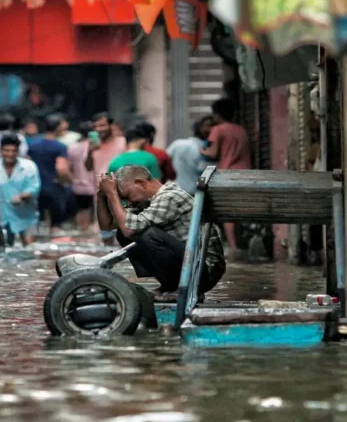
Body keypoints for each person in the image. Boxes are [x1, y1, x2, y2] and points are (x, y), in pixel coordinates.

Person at [96, 165, 225, 298]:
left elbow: (130, 229)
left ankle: (182, 287)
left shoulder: (170, 196)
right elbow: (108, 225)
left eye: (128, 196)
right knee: (124, 231)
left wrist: (112, 194)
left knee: (148, 234)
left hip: (204, 271)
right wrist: (101, 196)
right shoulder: (147, 202)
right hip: (191, 266)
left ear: (141, 183)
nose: (129, 202)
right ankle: (170, 285)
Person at [200, 98, 252, 253]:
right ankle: (244, 246)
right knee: (243, 210)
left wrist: (200, 150)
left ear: (217, 115)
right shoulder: (241, 130)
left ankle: (234, 248)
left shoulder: (218, 130)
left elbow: (212, 153)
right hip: (247, 174)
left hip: (228, 175)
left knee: (228, 213)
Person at [86, 112, 127, 244]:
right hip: (101, 193)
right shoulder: (92, 145)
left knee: (125, 232)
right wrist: (89, 151)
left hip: (122, 193)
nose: (99, 129)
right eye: (95, 126)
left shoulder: (122, 142)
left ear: (111, 125)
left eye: (102, 125)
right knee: (106, 235)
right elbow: (88, 167)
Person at [28, 114, 71, 234]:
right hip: (54, 188)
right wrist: (68, 180)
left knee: (37, 226)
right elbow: (61, 168)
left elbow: (28, 165)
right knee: (55, 227)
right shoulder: (60, 147)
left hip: (36, 188)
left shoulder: (33, 145)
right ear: (57, 128)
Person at [167, 116, 215, 195]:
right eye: (210, 126)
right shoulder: (206, 150)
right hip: (196, 192)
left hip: (175, 190)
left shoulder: (177, 144)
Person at [67, 132, 96, 231]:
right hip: (91, 185)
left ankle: (79, 231)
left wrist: (72, 179)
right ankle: (85, 231)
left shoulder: (72, 148)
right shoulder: (93, 147)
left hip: (76, 184)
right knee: (87, 210)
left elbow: (69, 166)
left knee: (79, 209)